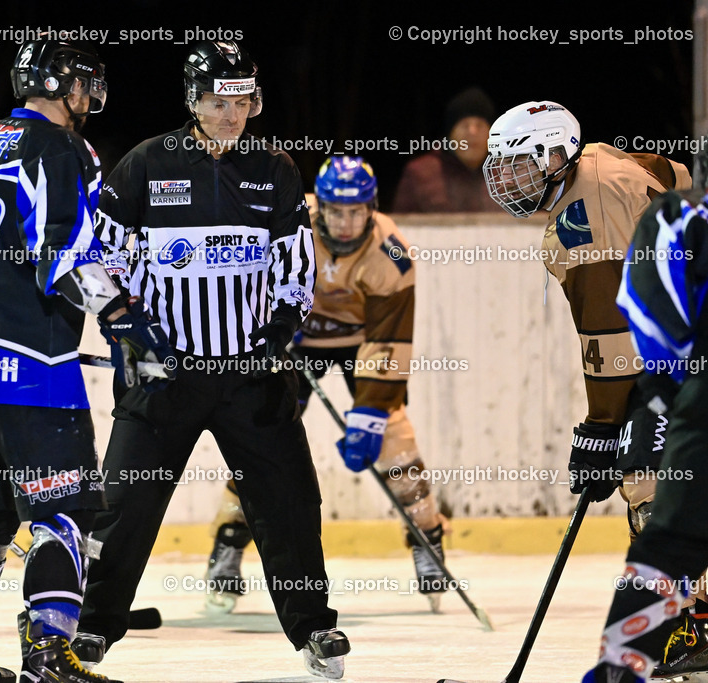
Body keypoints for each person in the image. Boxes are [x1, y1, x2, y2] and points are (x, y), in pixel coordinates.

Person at [72, 40, 350, 680]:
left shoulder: (274, 166)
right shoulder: (144, 165)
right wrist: (126, 324)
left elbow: (295, 260)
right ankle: (90, 629)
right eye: (218, 101)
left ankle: (315, 629)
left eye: (241, 101)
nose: (231, 115)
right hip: (162, 375)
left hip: (251, 373)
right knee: (124, 507)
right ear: (194, 100)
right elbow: (95, 255)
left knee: (288, 503)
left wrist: (283, 321)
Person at [0, 38, 172, 683]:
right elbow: (66, 254)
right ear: (60, 87)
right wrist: (124, 320)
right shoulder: (61, 147)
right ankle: (50, 656)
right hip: (29, 364)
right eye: (83, 83)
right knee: (62, 512)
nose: (90, 95)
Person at [483, 102, 705, 673]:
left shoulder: (585, 215)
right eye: (501, 166)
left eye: (520, 165)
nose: (506, 178)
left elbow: (612, 343)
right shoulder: (605, 162)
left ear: (558, 155)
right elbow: (673, 173)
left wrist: (603, 428)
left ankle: (695, 627)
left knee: (653, 487)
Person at [204, 156, 450, 616]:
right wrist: (273, 326)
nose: (344, 222)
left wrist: (371, 414)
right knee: (260, 443)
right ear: (321, 208)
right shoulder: (288, 220)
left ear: (371, 208)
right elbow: (244, 280)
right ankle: (229, 545)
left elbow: (389, 339)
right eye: (335, 210)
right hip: (295, 338)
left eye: (355, 211)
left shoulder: (391, 252)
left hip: (362, 343)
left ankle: (428, 542)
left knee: (395, 441)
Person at [583, 155, 708, 682]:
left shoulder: (678, 220)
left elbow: (650, 318)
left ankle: (628, 663)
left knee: (670, 531)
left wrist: (655, 400)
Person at [392, 87, 501, 213]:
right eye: (465, 125)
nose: (472, 132)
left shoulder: (511, 175)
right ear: (450, 135)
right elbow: (401, 228)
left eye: (480, 125)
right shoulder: (419, 174)